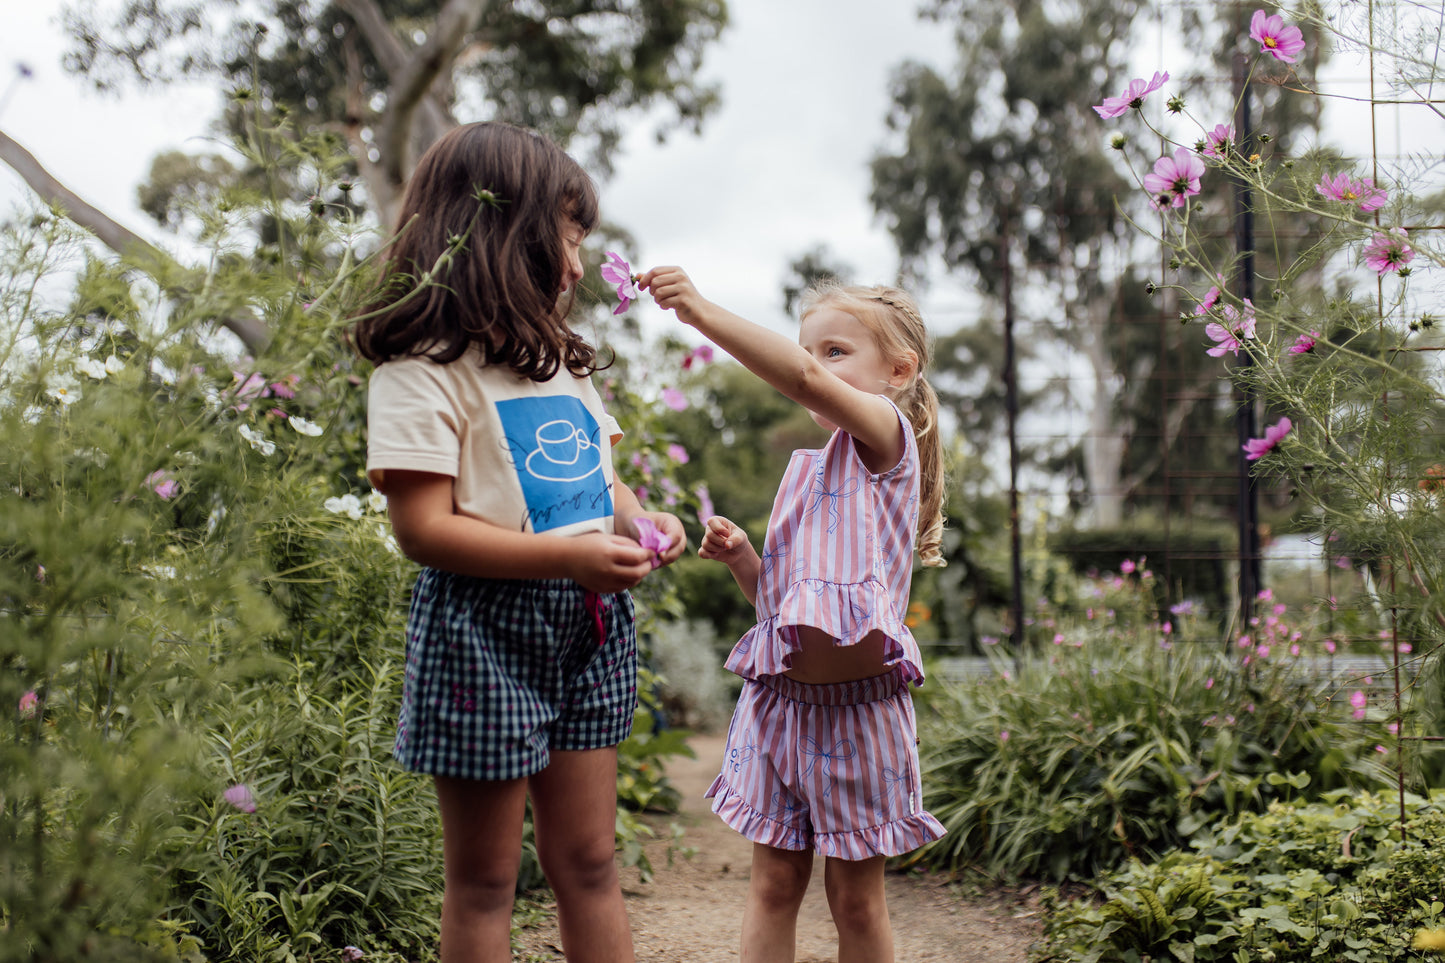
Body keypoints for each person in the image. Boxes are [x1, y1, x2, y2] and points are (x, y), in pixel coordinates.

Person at [353, 122, 686, 963]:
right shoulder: (419, 369)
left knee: (589, 860)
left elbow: (598, 485)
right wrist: (567, 559)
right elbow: (422, 530)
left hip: (588, 626)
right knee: (485, 882)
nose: (577, 266)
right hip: (482, 634)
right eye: (567, 239)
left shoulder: (556, 362)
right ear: (503, 232)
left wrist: (642, 523)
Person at [639, 265, 948, 963]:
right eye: (809, 350)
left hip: (859, 715)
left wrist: (702, 312)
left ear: (899, 369)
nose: (813, 367)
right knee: (773, 885)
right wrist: (747, 559)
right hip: (777, 709)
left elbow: (803, 384)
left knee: (855, 901)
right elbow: (784, 609)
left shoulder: (885, 444)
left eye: (834, 351)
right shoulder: (809, 470)